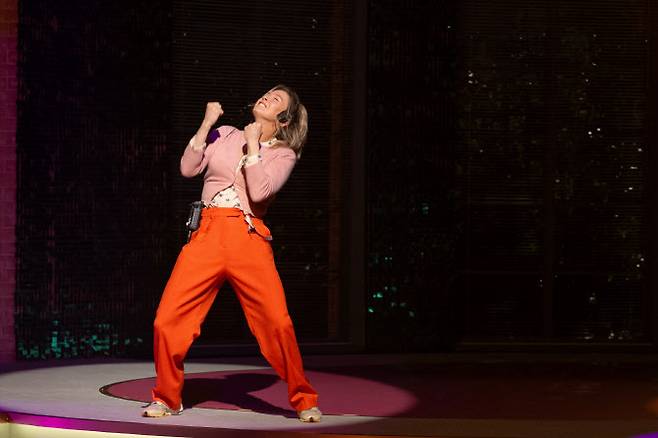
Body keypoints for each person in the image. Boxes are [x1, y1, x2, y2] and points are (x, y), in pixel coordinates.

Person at [142, 85, 322, 422]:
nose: (267, 97)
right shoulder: (225, 134)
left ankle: (304, 398)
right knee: (167, 319)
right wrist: (206, 124)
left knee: (277, 322)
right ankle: (167, 397)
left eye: (277, 99)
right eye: (268, 93)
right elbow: (187, 168)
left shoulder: (283, 154)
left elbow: (260, 191)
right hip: (207, 234)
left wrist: (253, 145)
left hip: (248, 237)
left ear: (284, 120)